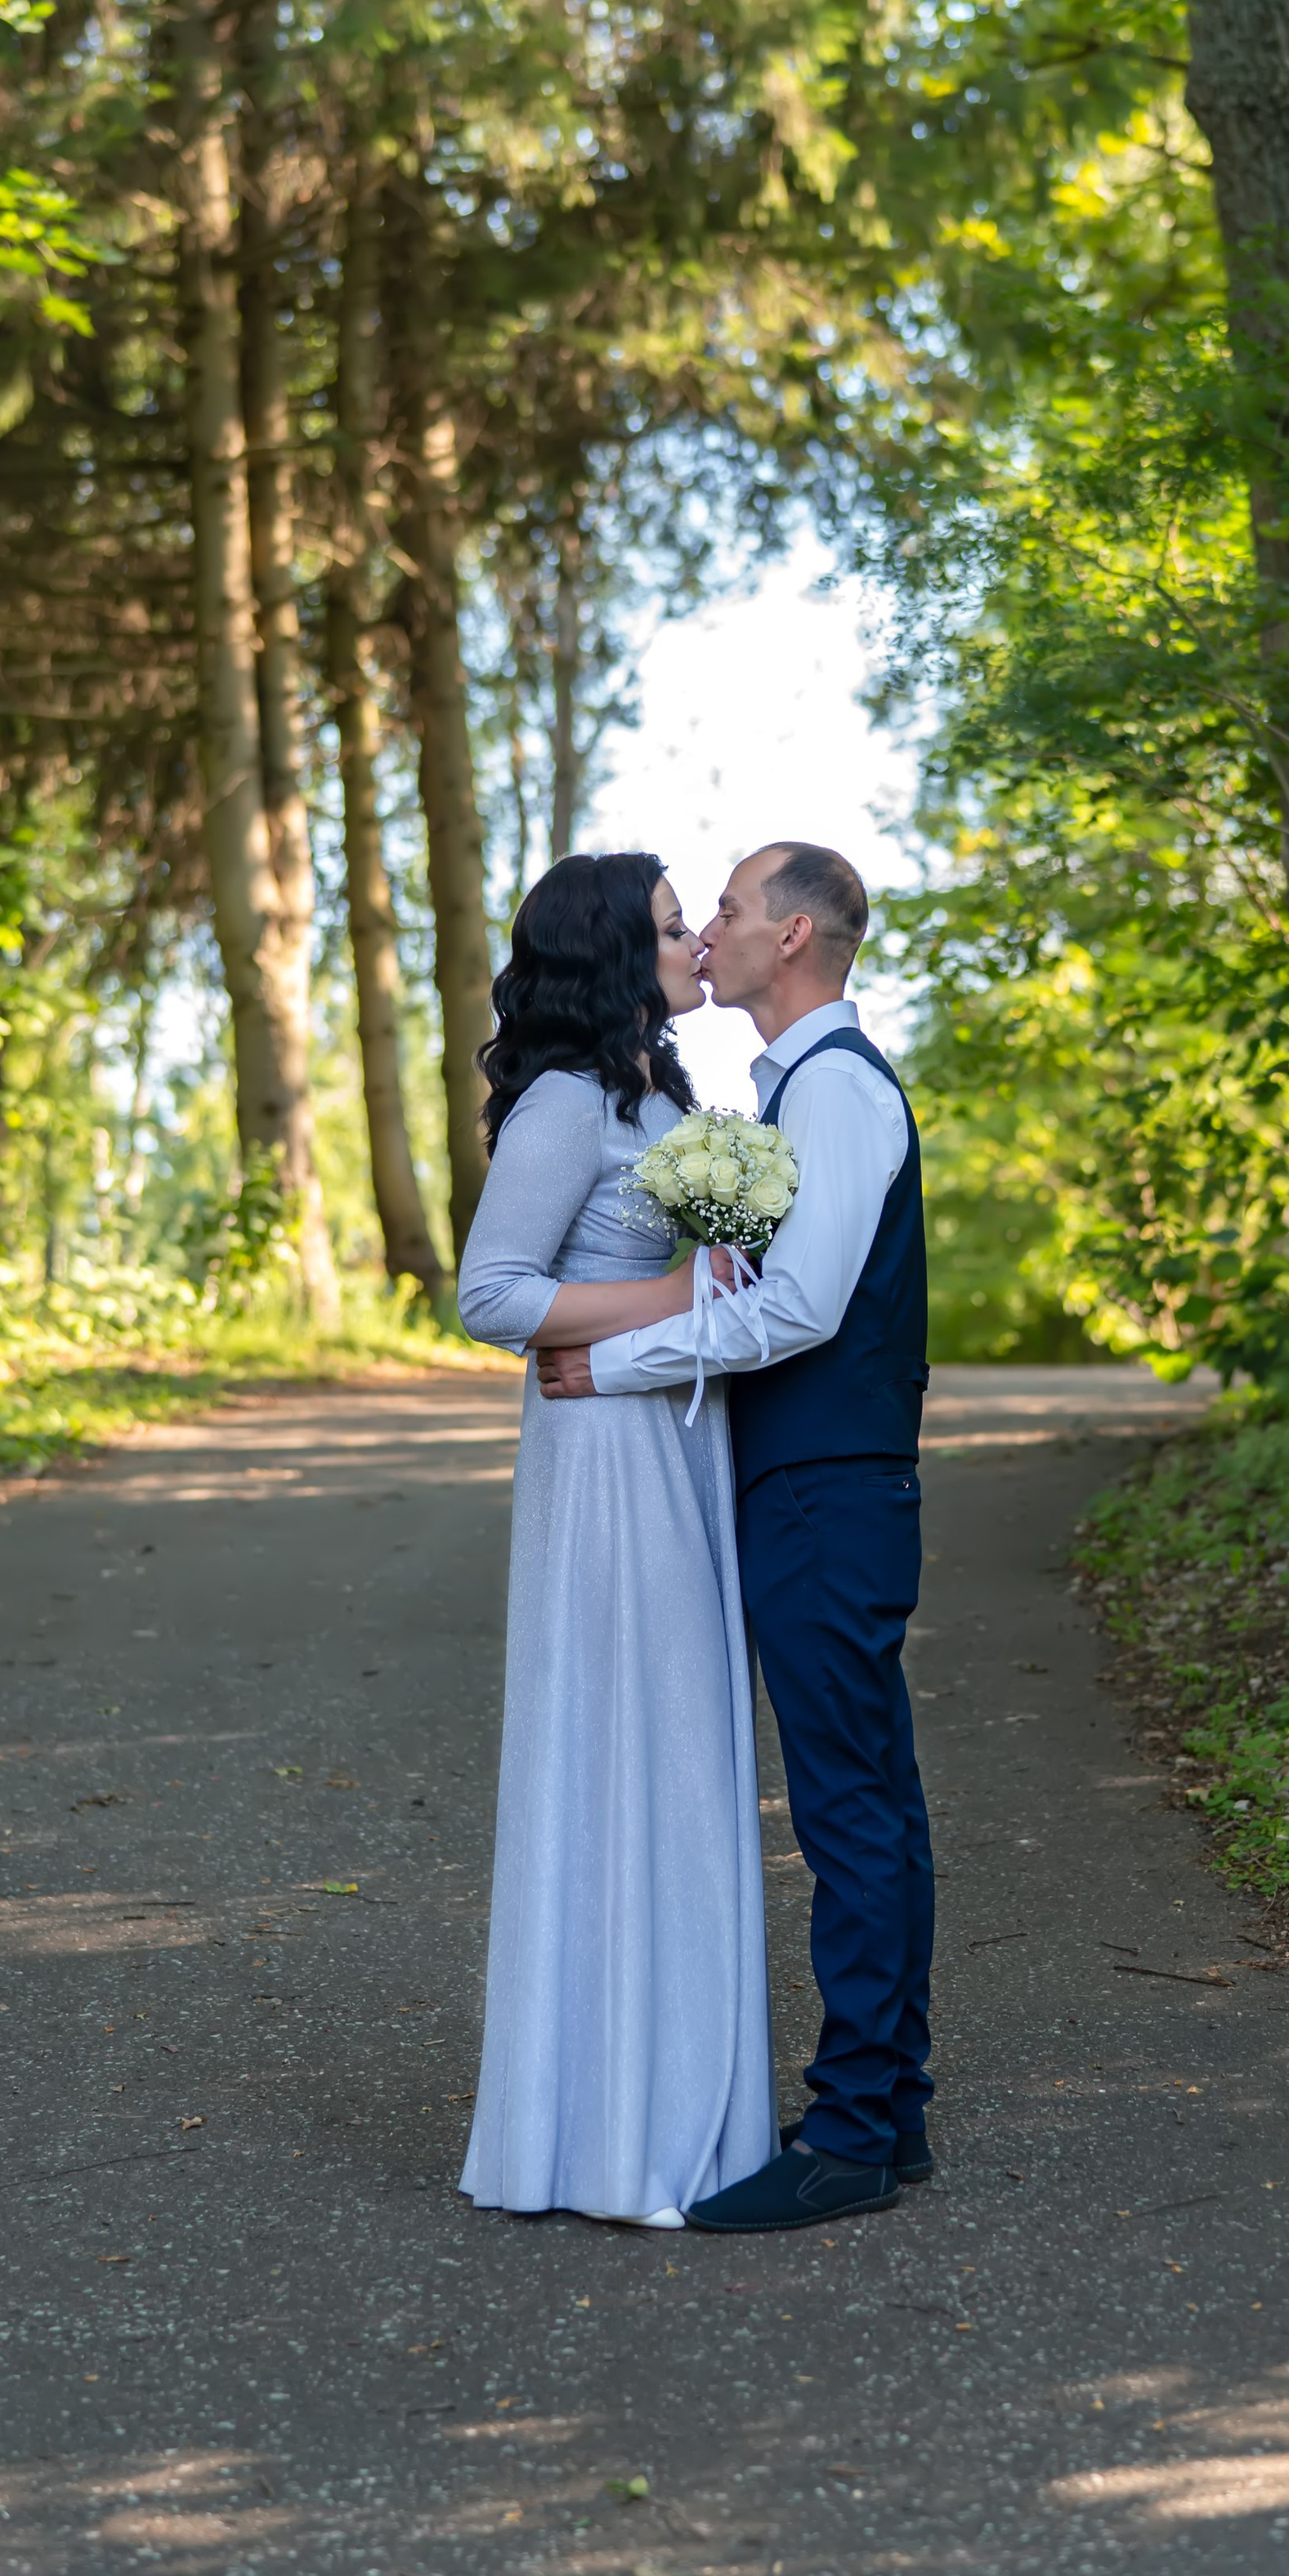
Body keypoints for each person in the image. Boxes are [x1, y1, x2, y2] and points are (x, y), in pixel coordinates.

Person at [538, 841, 933, 2235]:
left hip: (827, 1486)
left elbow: (802, 1312)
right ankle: (891, 2112)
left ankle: (850, 2132)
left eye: (728, 909)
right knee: (869, 1797)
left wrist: (619, 1365)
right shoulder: (791, 1092)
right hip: (820, 1486)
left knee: (845, 1809)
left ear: (800, 933)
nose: (707, 932)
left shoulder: (831, 1091)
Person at [454, 852, 774, 2227]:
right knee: (624, 1748)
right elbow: (492, 1295)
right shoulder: (565, 1103)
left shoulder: (660, 1097)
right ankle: (601, 2132)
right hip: (602, 1460)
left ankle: (684, 2095)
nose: (698, 939)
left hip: (679, 1442)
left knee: (687, 1754)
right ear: (609, 955)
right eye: (667, 927)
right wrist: (671, 1289)